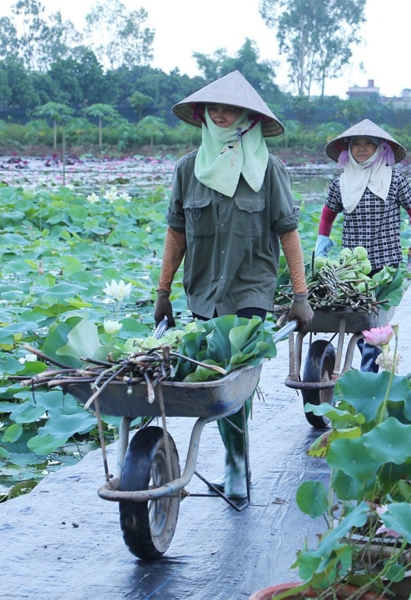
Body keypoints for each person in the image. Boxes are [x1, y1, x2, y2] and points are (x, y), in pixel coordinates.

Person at [153, 70, 314, 500]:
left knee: (233, 374)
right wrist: (163, 292)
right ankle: (235, 460)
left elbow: (288, 232)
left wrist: (299, 295)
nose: (221, 115)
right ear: (204, 115)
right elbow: (176, 234)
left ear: (247, 118)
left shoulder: (268, 169)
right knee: (217, 382)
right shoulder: (188, 169)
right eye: (215, 109)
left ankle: (236, 467)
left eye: (231, 109)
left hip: (250, 291)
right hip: (203, 292)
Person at [314, 119, 411, 372]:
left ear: (379, 149)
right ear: (348, 150)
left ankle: (370, 372)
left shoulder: (394, 179)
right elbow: (327, 215)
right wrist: (322, 245)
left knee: (373, 323)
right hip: (353, 267)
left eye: (368, 144)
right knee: (359, 320)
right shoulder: (340, 183)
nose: (362, 149)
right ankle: (369, 370)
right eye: (356, 144)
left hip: (386, 264)